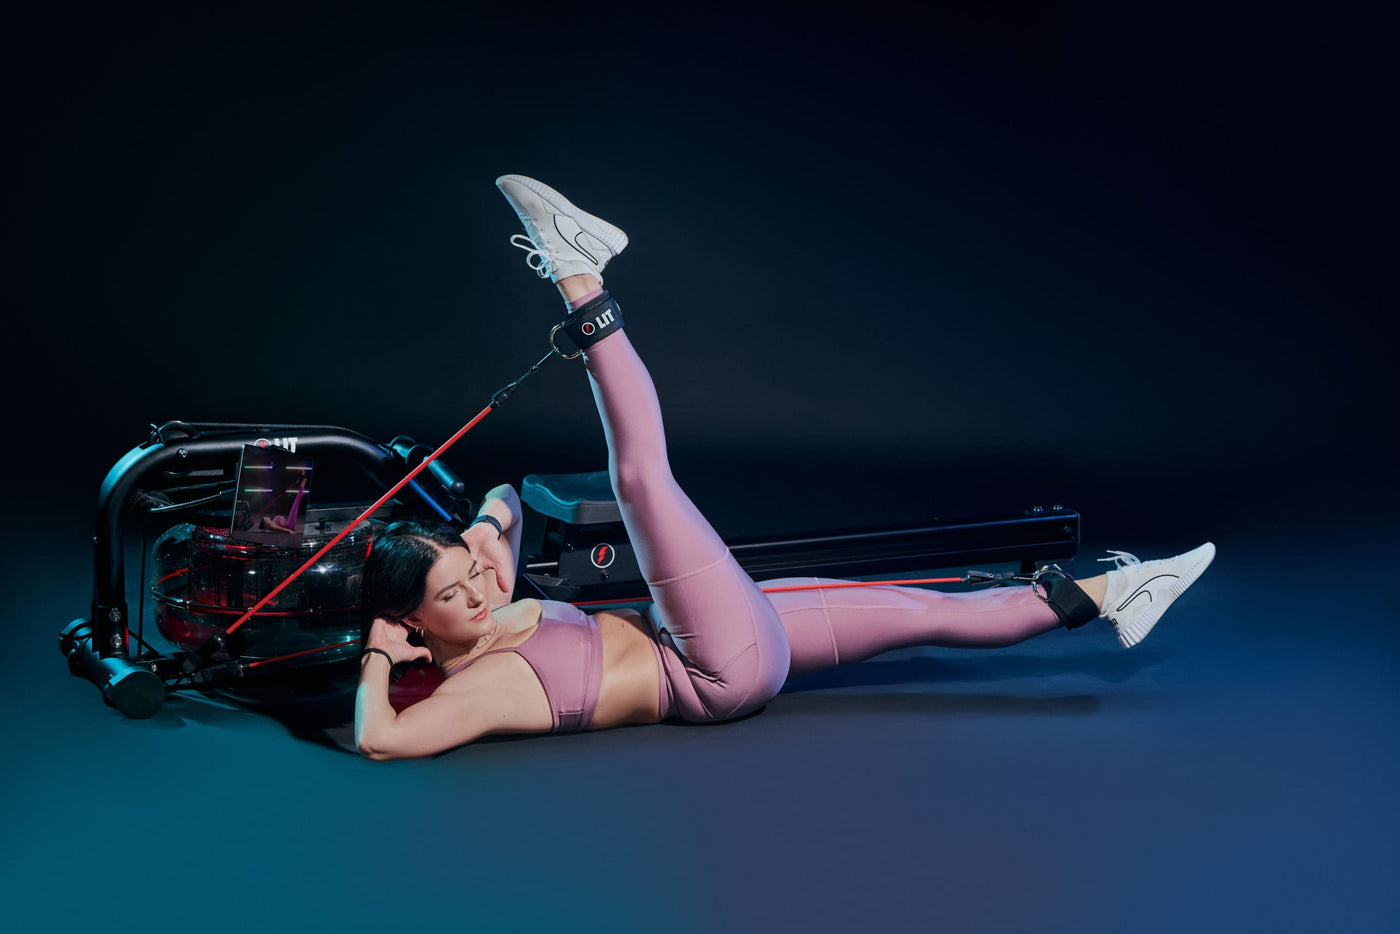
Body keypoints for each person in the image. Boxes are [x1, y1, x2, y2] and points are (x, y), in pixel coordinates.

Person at [353, 175, 1216, 760]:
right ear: (415, 624)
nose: (480, 590)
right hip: (712, 669)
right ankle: (582, 277)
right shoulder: (487, 682)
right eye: (457, 597)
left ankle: (1112, 598)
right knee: (642, 481)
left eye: (470, 577)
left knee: (930, 612)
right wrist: (381, 659)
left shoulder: (484, 603)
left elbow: (501, 496)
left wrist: (475, 537)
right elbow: (381, 740)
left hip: (716, 638)